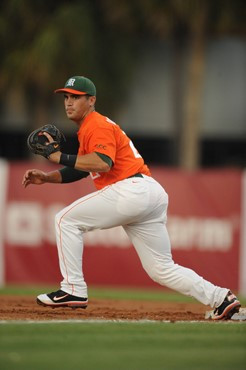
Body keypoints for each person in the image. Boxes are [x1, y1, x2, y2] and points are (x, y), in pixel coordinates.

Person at [22, 76, 241, 320]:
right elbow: (82, 168)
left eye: (76, 97)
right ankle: (222, 299)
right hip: (149, 192)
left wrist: (58, 156)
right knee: (161, 269)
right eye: (66, 97)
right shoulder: (90, 129)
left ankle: (73, 289)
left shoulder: (97, 124)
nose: (69, 102)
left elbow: (102, 163)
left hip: (131, 189)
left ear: (91, 100)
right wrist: (47, 177)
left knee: (65, 220)